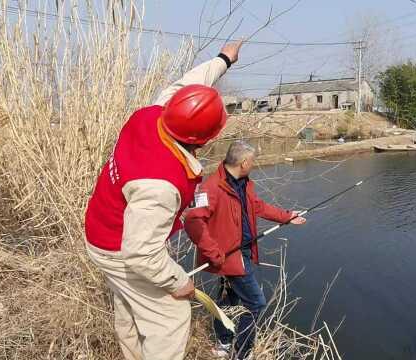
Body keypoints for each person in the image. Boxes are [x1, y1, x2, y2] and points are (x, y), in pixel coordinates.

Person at [84, 41, 243, 360]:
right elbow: (140, 252)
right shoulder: (161, 183)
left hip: (103, 228)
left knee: (132, 302)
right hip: (119, 247)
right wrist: (177, 281)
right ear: (206, 138)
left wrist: (223, 59)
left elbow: (189, 83)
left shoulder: (154, 114)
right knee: (171, 315)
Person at [185, 141, 307, 360]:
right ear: (243, 163)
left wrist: (288, 216)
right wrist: (213, 253)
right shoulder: (210, 187)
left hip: (246, 253)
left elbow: (258, 206)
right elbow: (193, 221)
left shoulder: (244, 183)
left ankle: (223, 344)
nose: (253, 164)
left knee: (228, 300)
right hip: (230, 259)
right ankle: (242, 351)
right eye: (252, 161)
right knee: (256, 302)